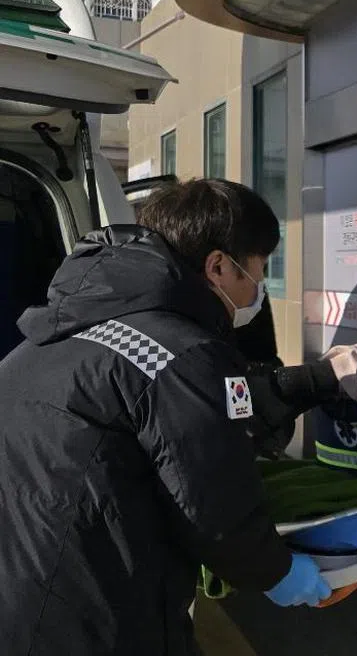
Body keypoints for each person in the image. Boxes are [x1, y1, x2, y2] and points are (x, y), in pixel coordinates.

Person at [0, 179, 337, 655]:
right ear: (218, 266)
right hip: (95, 622)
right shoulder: (183, 354)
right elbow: (213, 506)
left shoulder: (55, 335)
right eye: (258, 272)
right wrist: (277, 573)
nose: (257, 291)